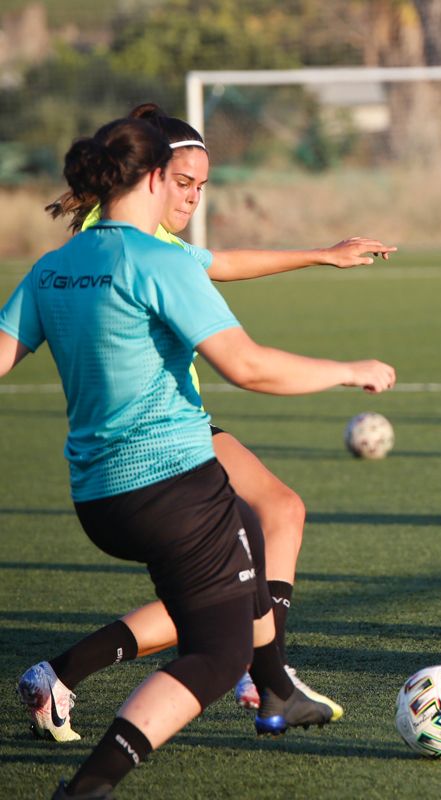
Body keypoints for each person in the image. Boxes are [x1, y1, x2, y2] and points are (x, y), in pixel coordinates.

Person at [0, 116, 395, 799]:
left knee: (253, 540)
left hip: (100, 499)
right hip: (174, 489)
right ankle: (88, 785)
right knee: (216, 654)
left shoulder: (52, 269)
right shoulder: (158, 262)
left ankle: (274, 690)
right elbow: (248, 367)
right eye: (182, 181)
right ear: (155, 176)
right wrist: (347, 369)